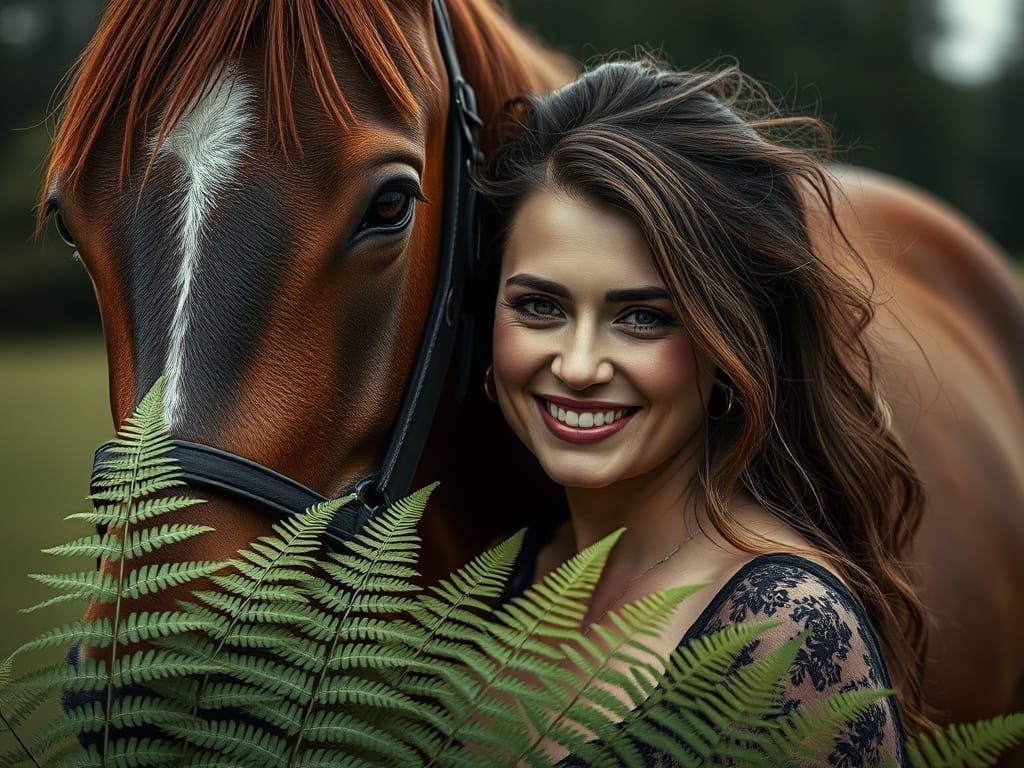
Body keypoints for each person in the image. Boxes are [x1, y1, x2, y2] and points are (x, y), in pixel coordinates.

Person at [475, 60, 930, 766]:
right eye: (540, 306)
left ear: (730, 343)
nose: (578, 365)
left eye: (643, 317)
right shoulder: (508, 573)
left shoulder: (788, 632)